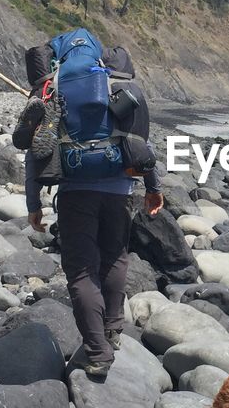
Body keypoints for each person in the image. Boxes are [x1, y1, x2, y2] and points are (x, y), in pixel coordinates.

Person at [21, 45, 163, 378]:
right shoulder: (121, 89)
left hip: (75, 193)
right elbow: (142, 144)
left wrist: (33, 204)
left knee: (82, 272)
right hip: (119, 192)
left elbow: (34, 152)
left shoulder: (53, 90)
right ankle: (112, 331)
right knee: (115, 257)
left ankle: (97, 351)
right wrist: (154, 188)